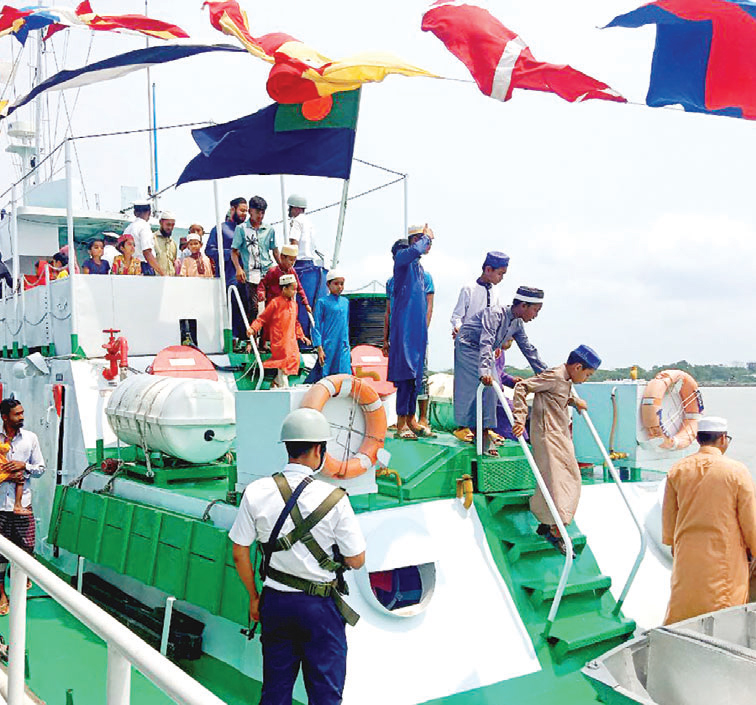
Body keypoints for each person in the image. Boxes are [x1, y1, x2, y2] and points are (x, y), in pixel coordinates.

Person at [229, 407, 365, 705]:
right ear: (319, 449)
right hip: (320, 608)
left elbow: (240, 552)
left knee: (275, 691)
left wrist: (254, 596)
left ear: (287, 447)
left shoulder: (256, 491)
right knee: (325, 694)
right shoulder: (336, 499)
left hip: (275, 602)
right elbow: (357, 560)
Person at [662, 416, 756, 624]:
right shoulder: (736, 471)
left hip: (687, 551)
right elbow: (750, 520)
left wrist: (673, 544)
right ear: (723, 439)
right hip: (724, 553)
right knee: (724, 608)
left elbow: (669, 517)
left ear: (698, 439)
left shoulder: (677, 469)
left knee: (685, 600)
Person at [511, 345, 599, 555]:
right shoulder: (555, 376)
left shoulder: (565, 380)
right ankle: (555, 529)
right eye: (587, 375)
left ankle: (549, 525)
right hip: (548, 434)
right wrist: (520, 418)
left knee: (571, 479)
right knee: (558, 481)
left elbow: (556, 396)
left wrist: (574, 401)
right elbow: (523, 387)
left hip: (559, 434)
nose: (585, 379)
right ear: (577, 367)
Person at [454, 286, 547, 452]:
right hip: (468, 345)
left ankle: (485, 430)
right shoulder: (495, 314)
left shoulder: (517, 323)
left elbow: (528, 348)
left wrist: (545, 373)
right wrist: (484, 372)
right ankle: (478, 431)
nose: (536, 315)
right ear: (524, 306)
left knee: (494, 388)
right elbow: (486, 342)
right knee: (482, 386)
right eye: (536, 310)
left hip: (483, 350)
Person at [387, 224, 434, 440]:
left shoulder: (420, 270)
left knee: (416, 376)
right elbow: (414, 251)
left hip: (417, 330)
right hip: (404, 328)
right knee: (405, 375)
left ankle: (410, 420)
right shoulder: (402, 262)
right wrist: (425, 238)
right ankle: (400, 423)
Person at [0, 399, 45, 616]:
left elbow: (40, 469)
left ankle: (16, 577)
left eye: (22, 413)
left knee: (27, 545)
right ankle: (1, 593)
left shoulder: (30, 439)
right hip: (0, 505)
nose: (22, 417)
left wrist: (24, 466)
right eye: (17, 414)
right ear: (5, 417)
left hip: (23, 504)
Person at [248, 274, 311, 388]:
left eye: (296, 289)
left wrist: (301, 335)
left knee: (293, 360)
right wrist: (253, 328)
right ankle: (284, 388)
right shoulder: (275, 303)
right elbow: (263, 318)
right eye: (292, 289)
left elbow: (295, 322)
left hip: (291, 340)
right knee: (283, 362)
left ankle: (277, 382)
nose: (295, 292)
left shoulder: (294, 304)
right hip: (279, 340)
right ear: (284, 288)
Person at [231, 196, 276, 328]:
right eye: (258, 212)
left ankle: (263, 341)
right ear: (250, 211)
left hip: (268, 273)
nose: (260, 216)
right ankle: (251, 338)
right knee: (253, 307)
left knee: (270, 307)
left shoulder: (269, 229)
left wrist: (283, 269)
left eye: (263, 213)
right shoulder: (241, 229)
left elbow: (275, 250)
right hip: (251, 274)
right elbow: (234, 251)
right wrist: (238, 268)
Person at [207, 197, 248, 337]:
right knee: (231, 311)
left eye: (246, 211)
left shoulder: (247, 230)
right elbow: (209, 250)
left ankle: (247, 341)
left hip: (247, 279)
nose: (244, 214)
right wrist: (230, 254)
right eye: (242, 210)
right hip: (228, 278)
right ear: (233, 209)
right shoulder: (220, 229)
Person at [287, 194, 325, 338]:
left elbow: (294, 243)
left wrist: (290, 262)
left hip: (299, 264)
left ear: (295, 208)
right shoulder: (310, 223)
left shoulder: (296, 222)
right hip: (312, 264)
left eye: (290, 208)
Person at [450, 251, 510, 336]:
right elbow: (457, 317)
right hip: (468, 342)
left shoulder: (496, 291)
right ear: (488, 270)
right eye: (499, 274)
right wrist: (459, 330)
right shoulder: (469, 289)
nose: (502, 278)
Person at [307, 270, 351, 383]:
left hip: (343, 346)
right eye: (336, 284)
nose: (340, 287)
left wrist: (348, 347)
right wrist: (319, 348)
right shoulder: (322, 302)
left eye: (342, 284)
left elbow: (346, 325)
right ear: (328, 285)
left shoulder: (345, 302)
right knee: (327, 376)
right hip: (329, 345)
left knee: (345, 375)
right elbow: (316, 327)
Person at [257, 244, 311, 316]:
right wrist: (261, 294)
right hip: (273, 308)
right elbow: (262, 285)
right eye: (291, 260)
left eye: (294, 260)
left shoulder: (292, 272)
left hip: (286, 308)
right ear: (282, 257)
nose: (292, 263)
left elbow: (299, 288)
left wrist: (306, 303)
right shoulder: (273, 271)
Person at [123, 201, 160, 276]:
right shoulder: (144, 226)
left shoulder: (128, 228)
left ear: (134, 213)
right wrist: (162, 273)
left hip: (129, 265)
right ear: (149, 213)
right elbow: (147, 252)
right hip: (143, 267)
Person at [153, 211, 178, 277]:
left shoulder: (173, 243)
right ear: (161, 222)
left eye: (172, 225)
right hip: (156, 280)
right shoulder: (152, 239)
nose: (170, 228)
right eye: (168, 224)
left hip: (171, 280)